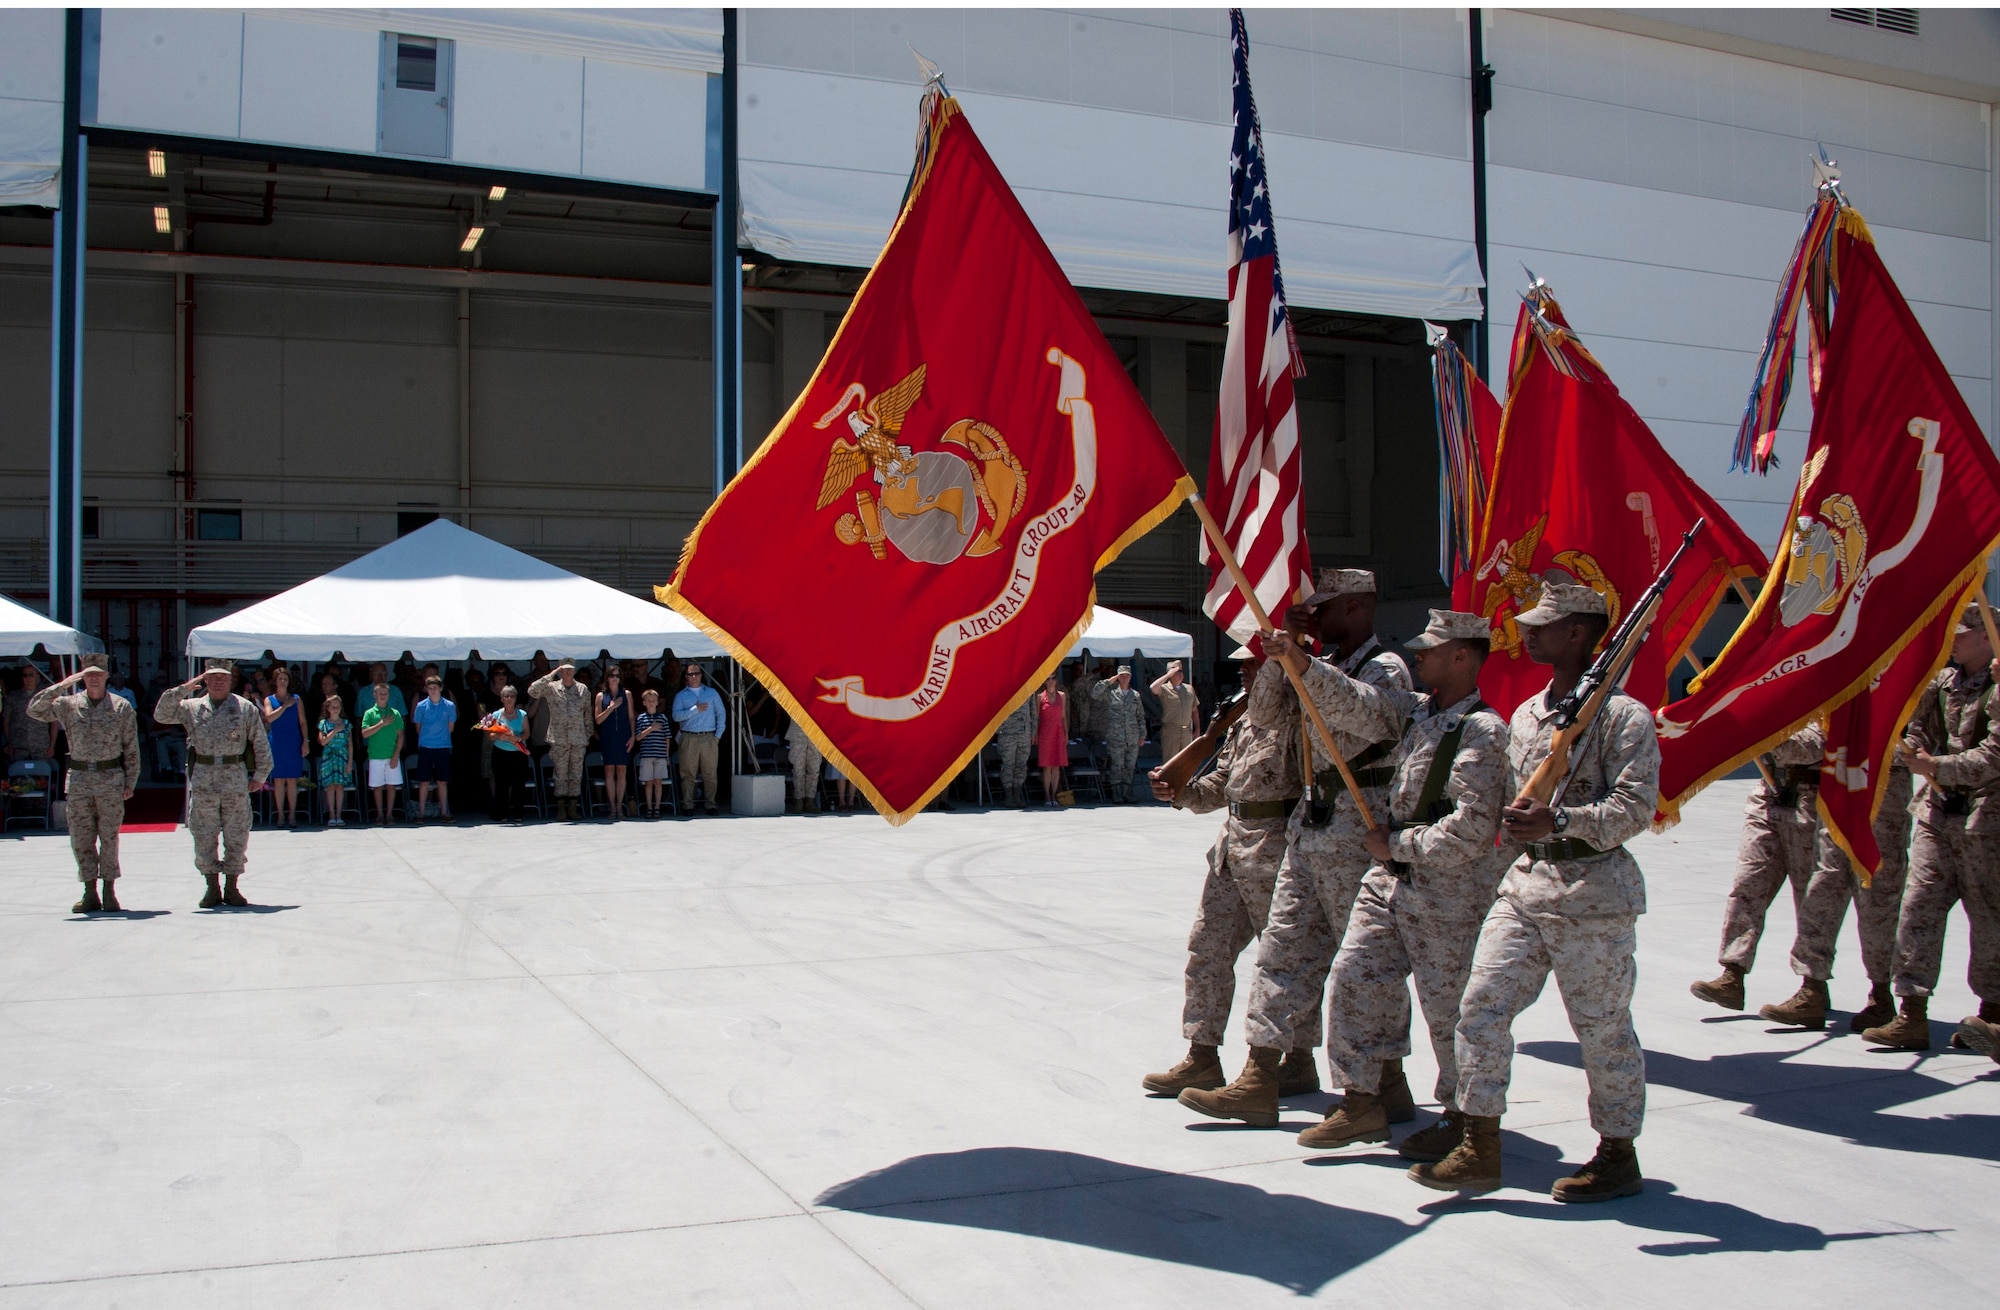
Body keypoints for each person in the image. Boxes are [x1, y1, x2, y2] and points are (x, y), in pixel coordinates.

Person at [1410, 583, 1659, 1202]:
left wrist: (1563, 822)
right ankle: (1479, 1142)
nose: (1529, 632)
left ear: (1579, 632)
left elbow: (1635, 808)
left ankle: (1617, 1151)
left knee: (1600, 1029)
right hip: (1524, 887)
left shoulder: (1624, 716)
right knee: (1479, 1010)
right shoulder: (1525, 714)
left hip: (1592, 893)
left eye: (1545, 624)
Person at [1264, 611, 1513, 1154]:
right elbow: (1359, 704)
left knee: (1448, 1007)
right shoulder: (1417, 714)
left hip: (1447, 887)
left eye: (1431, 649)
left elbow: (1472, 829)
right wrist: (1300, 662)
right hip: (1390, 880)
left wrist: (1396, 846)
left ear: (1463, 656)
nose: (1417, 656)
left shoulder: (1484, 731)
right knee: (1356, 978)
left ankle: (1462, 1119)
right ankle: (1361, 1100)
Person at [1180, 568, 1410, 1126]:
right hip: (1312, 826)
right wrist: (1284, 654)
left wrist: (1304, 662)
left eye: (1322, 608)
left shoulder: (1386, 667)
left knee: (1365, 963)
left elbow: (1369, 714)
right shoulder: (1313, 663)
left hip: (1362, 824)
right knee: (1282, 951)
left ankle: (1385, 1082)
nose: (1313, 618)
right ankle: (1259, 1077)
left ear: (1355, 608)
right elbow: (1263, 715)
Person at [1143, 646, 1305, 1097]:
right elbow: (1225, 784)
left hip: (1278, 854)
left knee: (1283, 963)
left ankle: (1297, 1061)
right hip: (1232, 852)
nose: (1244, 671)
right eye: (1244, 666)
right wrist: (1179, 791)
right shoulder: (1243, 719)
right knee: (1206, 950)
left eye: (1254, 664)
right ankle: (1202, 1056)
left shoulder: (1299, 716)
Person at [1867, 607, 2000, 1053]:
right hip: (1937, 816)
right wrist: (1919, 752)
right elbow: (1916, 727)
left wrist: (1935, 766)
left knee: (1988, 919)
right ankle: (1911, 1014)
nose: (1954, 641)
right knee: (1918, 910)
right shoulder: (1943, 684)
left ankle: (1991, 1016)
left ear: (1988, 637)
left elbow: (1993, 757)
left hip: (1986, 821)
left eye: (1963, 634)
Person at [1689, 726, 1836, 1025]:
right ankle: (1733, 973)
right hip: (1768, 795)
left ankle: (1813, 987)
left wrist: (1762, 732)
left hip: (1811, 798)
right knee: (1748, 885)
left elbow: (1814, 746)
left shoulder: (1822, 686)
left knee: (1811, 900)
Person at [1790, 757, 1915, 1034]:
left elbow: (1922, 744)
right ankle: (1812, 988)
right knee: (1822, 888)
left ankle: (1881, 994)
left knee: (1877, 897)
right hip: (1839, 779)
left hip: (1883, 785)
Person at [153, 659, 274, 908]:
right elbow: (161, 713)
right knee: (204, 835)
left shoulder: (244, 708)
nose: (218, 681)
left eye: (223, 677)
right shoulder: (192, 707)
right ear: (204, 680)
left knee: (237, 834)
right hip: (204, 778)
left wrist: (260, 776)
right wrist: (185, 688)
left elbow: (261, 743)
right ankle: (212, 886)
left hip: (234, 778)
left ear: (231, 680)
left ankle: (231, 886)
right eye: (213, 677)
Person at [28, 654, 140, 914]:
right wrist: (63, 684)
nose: (93, 678)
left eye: (98, 673)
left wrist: (130, 781)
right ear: (81, 676)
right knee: (81, 838)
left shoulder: (121, 706)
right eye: (88, 674)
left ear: (106, 676)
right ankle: (90, 892)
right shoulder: (69, 704)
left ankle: (109, 891)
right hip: (79, 779)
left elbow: (131, 749)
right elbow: (35, 709)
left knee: (109, 838)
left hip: (110, 777)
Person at [530, 658, 592, 820]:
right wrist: (550, 675)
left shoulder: (582, 689)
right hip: (559, 739)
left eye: (571, 669)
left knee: (576, 774)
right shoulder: (551, 688)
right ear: (560, 670)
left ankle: (572, 807)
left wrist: (588, 735)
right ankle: (560, 809)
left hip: (578, 738)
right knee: (560, 774)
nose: (568, 672)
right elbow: (532, 691)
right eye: (564, 669)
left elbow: (587, 714)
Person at [672, 662, 725, 815]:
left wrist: (717, 736)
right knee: (687, 773)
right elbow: (676, 716)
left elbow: (721, 714)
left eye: (697, 673)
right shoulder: (681, 696)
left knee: (710, 773)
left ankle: (711, 804)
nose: (694, 676)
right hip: (689, 737)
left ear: (702, 675)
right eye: (691, 674)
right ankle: (688, 804)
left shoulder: (712, 693)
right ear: (686, 677)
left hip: (709, 737)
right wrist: (695, 710)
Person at [260, 665, 308, 826]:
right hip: (277, 742)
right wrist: (284, 706)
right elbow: (269, 718)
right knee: (279, 780)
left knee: (292, 779)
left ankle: (292, 815)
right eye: (280, 679)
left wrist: (305, 741)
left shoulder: (296, 699)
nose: (282, 681)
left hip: (293, 741)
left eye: (285, 679)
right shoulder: (269, 700)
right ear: (275, 681)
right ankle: (280, 814)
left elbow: (302, 722)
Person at [1092, 665, 1148, 802]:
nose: (1124, 678)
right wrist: (1109, 681)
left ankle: (1127, 793)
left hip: (1132, 737)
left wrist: (1142, 735)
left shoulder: (1135, 695)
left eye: (1127, 675)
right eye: (1121, 675)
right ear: (1117, 677)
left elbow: (1140, 716)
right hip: (1116, 737)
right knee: (1117, 766)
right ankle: (1117, 794)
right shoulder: (1111, 693)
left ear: (1130, 677)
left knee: (1130, 766)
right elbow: (1094, 693)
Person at [410, 674, 457, 821]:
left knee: (442, 781)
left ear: (441, 688)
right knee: (424, 781)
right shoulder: (421, 706)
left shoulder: (449, 706)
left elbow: (451, 727)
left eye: (435, 688)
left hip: (442, 747)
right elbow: (418, 727)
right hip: (426, 747)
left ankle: (444, 812)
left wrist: (439, 738)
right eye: (429, 688)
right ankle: (421, 813)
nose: (432, 691)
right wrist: (428, 739)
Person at [481, 686, 530, 822]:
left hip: (518, 753)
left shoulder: (522, 714)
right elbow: (488, 734)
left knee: (518, 784)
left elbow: (527, 733)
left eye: (512, 696)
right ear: (502, 699)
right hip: (500, 753)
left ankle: (518, 813)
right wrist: (497, 736)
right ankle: (502, 813)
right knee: (501, 784)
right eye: (506, 696)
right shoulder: (495, 715)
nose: (509, 699)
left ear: (515, 699)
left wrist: (518, 738)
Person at [594, 666, 636, 820]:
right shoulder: (600, 696)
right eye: (612, 676)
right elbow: (598, 720)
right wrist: (610, 708)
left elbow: (631, 717)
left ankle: (620, 806)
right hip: (608, 735)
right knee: (609, 771)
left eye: (617, 676)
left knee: (622, 771)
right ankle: (612, 807)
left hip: (623, 735)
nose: (615, 678)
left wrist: (632, 735)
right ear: (607, 678)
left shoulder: (627, 694)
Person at [360, 682, 405, 825]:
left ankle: (389, 814)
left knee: (391, 786)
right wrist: (381, 724)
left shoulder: (395, 713)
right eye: (380, 693)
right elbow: (364, 734)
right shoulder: (369, 713)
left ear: (389, 695)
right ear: (375, 695)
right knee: (377, 786)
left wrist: (396, 755)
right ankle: (379, 814)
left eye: (385, 693)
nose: (383, 695)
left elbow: (401, 735)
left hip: (391, 755)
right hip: (375, 755)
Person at [4, 661, 55, 763]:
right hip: (19, 747)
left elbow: (54, 722)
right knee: (19, 777)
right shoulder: (13, 697)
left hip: (40, 748)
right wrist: (9, 743)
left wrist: (52, 746)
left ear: (37, 676)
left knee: (41, 776)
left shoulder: (44, 697)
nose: (28, 678)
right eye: (25, 675)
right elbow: (6, 722)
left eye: (31, 675)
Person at [1151, 660, 1200, 765]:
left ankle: (1185, 781)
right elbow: (1153, 688)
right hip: (1171, 731)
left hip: (1186, 730)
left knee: (1186, 761)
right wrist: (1168, 675)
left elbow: (1194, 711)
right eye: (1176, 672)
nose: (1180, 674)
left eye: (1181, 671)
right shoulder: (1164, 689)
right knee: (1170, 762)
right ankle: (1169, 781)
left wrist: (1197, 729)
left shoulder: (1189, 689)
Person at [634, 688, 673, 818]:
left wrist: (667, 755)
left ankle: (657, 807)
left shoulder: (662, 718)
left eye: (653, 701)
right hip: (646, 755)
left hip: (660, 755)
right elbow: (638, 737)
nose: (651, 703)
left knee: (658, 781)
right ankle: (649, 807)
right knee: (648, 782)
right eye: (648, 701)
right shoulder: (641, 718)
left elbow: (667, 737)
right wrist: (651, 728)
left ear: (657, 702)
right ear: (644, 702)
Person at [994, 695, 1037, 808]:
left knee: (1021, 765)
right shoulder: (1003, 686)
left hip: (1024, 733)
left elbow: (1033, 711)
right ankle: (1008, 796)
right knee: (1008, 765)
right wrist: (999, 730)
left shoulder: (1029, 686)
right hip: (1008, 733)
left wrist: (1033, 732)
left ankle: (1017, 794)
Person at [317, 694, 352, 825]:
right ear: (328, 708)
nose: (335, 708)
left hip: (342, 757)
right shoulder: (323, 724)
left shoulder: (347, 723)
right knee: (330, 787)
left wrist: (349, 762)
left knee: (340, 786)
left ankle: (339, 814)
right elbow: (323, 741)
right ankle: (331, 814)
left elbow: (350, 744)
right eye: (333, 706)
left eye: (338, 706)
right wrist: (335, 730)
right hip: (329, 757)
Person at [1034, 672, 1068, 806]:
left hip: (1058, 732)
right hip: (1045, 733)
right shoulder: (1040, 697)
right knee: (1047, 766)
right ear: (1044, 682)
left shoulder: (1062, 696)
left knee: (1056, 765)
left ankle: (1054, 795)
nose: (1051, 681)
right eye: (1048, 679)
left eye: (1053, 679)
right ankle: (1047, 795)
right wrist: (1035, 734)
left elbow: (1063, 716)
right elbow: (1037, 718)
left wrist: (1066, 734)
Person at [786, 714, 822, 813]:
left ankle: (810, 800)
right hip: (798, 733)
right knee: (798, 769)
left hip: (816, 733)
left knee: (814, 770)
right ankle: (798, 800)